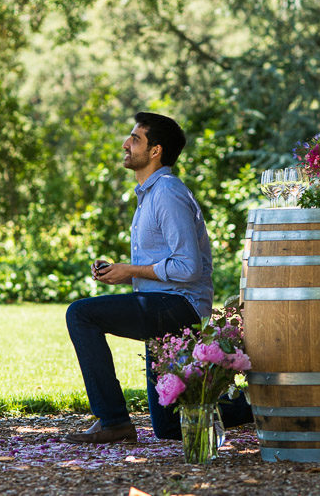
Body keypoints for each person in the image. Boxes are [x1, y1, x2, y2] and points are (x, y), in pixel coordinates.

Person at [64, 112, 253, 444]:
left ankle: (113, 421)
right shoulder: (149, 195)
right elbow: (165, 269)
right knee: (168, 427)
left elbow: (188, 267)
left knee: (80, 314)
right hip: (165, 309)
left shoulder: (167, 193)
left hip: (180, 309)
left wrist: (131, 270)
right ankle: (259, 407)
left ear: (155, 151)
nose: (126, 143)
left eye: (135, 139)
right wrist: (120, 274)